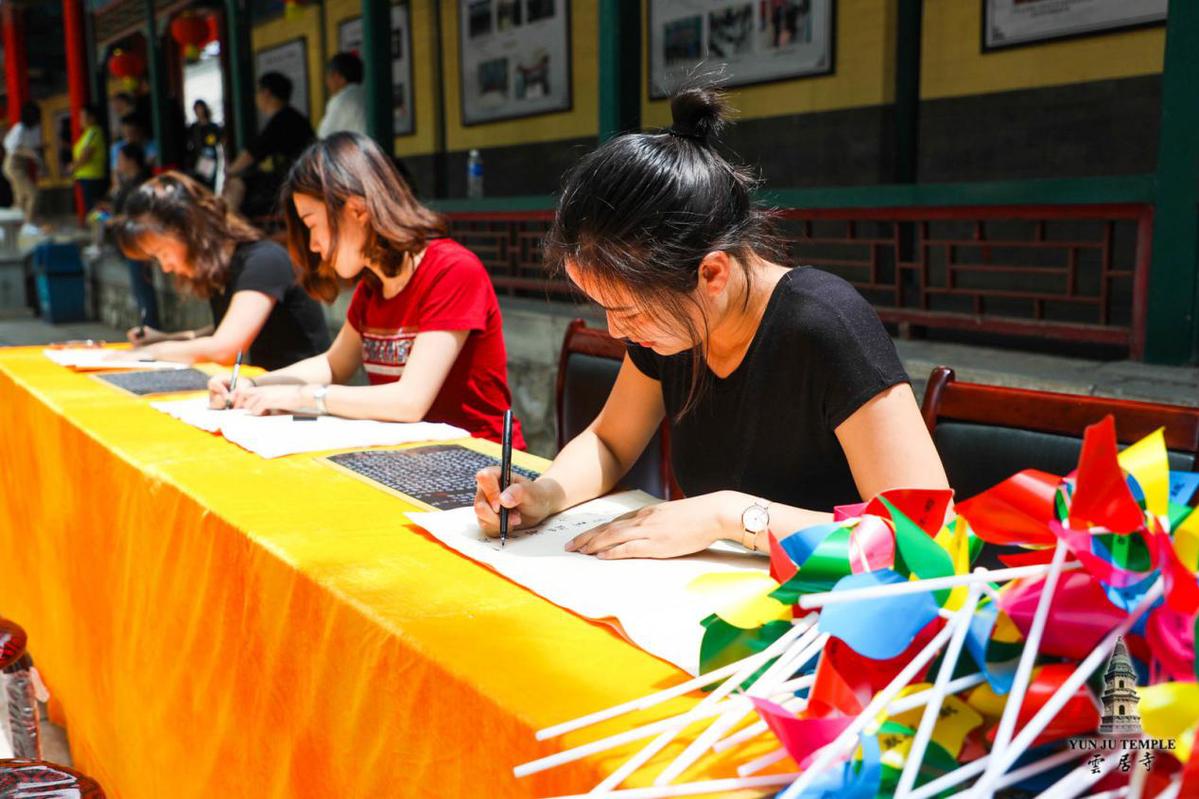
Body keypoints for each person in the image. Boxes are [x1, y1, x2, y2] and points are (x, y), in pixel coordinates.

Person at [473, 87, 950, 559]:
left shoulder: (826, 323)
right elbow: (610, 441)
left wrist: (731, 516)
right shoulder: (675, 327)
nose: (616, 331)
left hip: (830, 600)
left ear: (711, 274)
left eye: (629, 312)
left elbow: (922, 535)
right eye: (606, 309)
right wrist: (545, 494)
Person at [208, 132, 523, 447]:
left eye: (312, 224)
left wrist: (303, 396)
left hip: (479, 462)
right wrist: (251, 385)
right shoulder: (374, 287)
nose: (314, 245)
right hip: (411, 456)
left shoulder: (451, 270)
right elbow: (333, 364)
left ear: (357, 210)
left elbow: (409, 401)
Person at [114, 171, 330, 369]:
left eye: (162, 253)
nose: (166, 266)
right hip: (262, 388)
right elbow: (225, 328)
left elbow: (225, 348)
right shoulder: (227, 266)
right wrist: (166, 339)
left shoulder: (263, 261)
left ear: (189, 231)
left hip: (301, 393)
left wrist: (148, 353)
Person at [223, 72, 315, 218]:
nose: (256, 97)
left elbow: (251, 154)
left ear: (266, 93)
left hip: (291, 181)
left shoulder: (281, 120)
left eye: (257, 92)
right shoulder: (292, 116)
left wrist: (229, 172)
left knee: (236, 183)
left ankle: (232, 226)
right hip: (300, 178)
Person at [107, 142, 160, 329]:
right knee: (139, 288)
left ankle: (150, 327)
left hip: (140, 241)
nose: (118, 163)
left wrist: (118, 220)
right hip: (129, 240)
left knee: (143, 286)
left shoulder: (142, 183)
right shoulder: (127, 182)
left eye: (120, 159)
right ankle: (147, 326)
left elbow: (142, 213)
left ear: (131, 160)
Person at [2, 102, 44, 227]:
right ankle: (28, 225)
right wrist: (31, 154)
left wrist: (38, 159)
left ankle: (10, 226)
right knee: (33, 194)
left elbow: (36, 147)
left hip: (23, 165)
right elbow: (12, 147)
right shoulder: (19, 128)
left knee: (20, 199)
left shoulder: (36, 129)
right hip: (13, 165)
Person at [67, 105, 108, 212]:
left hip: (92, 177)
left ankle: (101, 223)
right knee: (92, 208)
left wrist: (73, 167)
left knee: (94, 209)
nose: (80, 120)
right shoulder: (88, 133)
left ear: (92, 118)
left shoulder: (93, 132)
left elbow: (86, 154)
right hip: (87, 176)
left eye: (83, 117)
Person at [317, 52, 367, 139]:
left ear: (338, 76)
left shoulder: (342, 100)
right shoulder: (367, 95)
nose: (327, 83)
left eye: (329, 76)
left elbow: (324, 136)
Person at [185, 99, 221, 189]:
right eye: (196, 109)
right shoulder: (193, 127)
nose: (199, 111)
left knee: (208, 184)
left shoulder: (213, 127)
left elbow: (218, 141)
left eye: (200, 108)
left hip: (209, 159)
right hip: (196, 158)